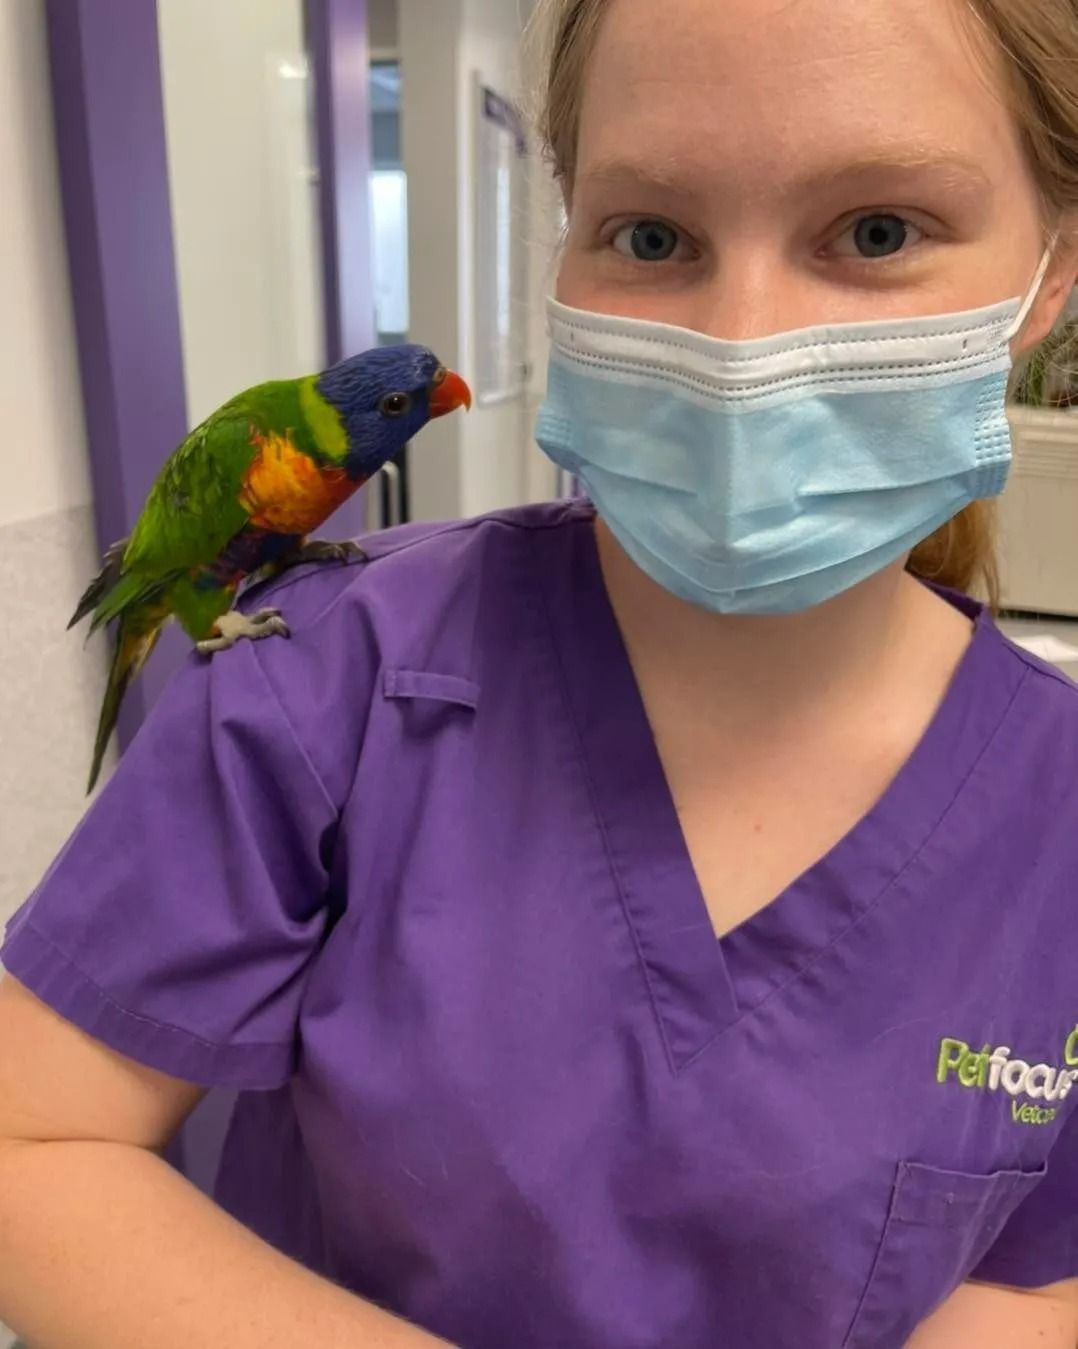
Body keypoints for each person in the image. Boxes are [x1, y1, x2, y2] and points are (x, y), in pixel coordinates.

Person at [2, 0, 1078, 1344]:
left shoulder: (1053, 807)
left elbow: (1037, 1271)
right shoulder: (330, 682)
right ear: (564, 233)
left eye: (875, 231)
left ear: (1049, 269)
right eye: (650, 235)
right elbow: (29, 1137)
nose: (740, 348)